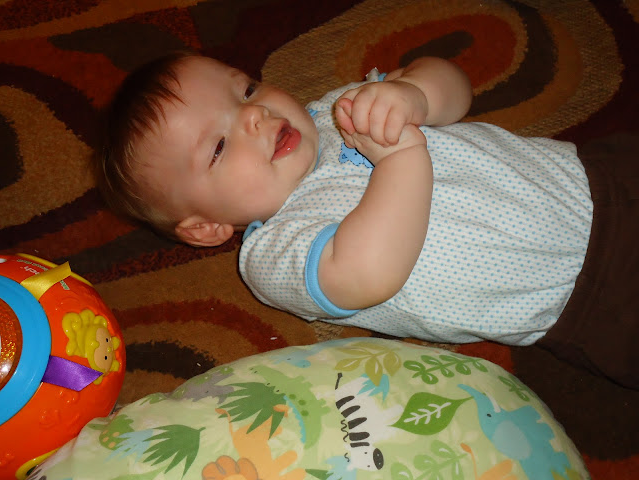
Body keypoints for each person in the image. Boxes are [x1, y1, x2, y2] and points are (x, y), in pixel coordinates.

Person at [98, 51, 638, 389]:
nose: (254, 117)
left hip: (593, 175)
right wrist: (402, 159)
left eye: (246, 91)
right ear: (205, 228)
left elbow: (454, 88)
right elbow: (367, 274)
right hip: (589, 298)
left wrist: (414, 93)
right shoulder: (273, 254)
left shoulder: (339, 109)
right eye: (218, 146)